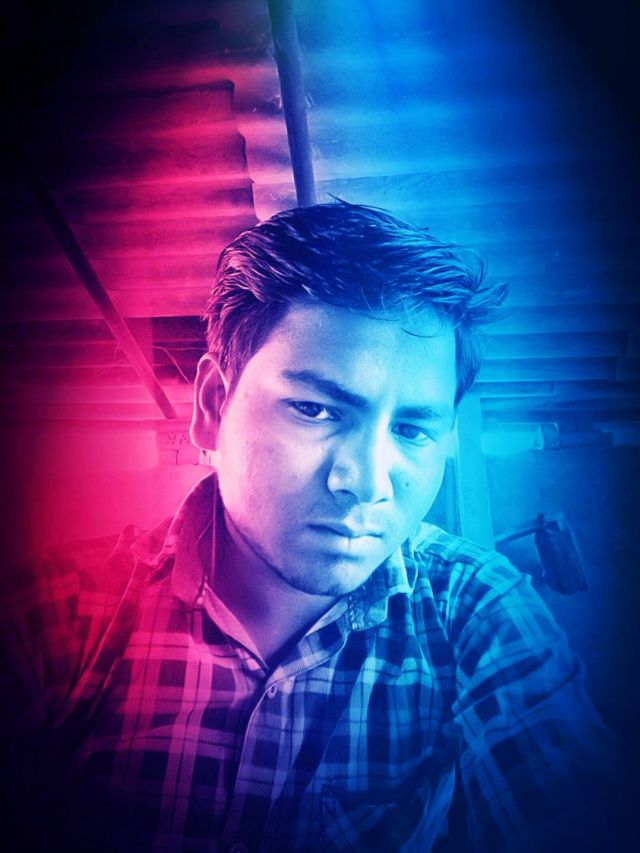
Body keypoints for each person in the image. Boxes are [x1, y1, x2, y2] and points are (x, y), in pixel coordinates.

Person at [0, 202, 623, 852]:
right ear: (213, 404)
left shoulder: (474, 611)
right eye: (315, 409)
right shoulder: (60, 616)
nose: (368, 481)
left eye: (412, 429)